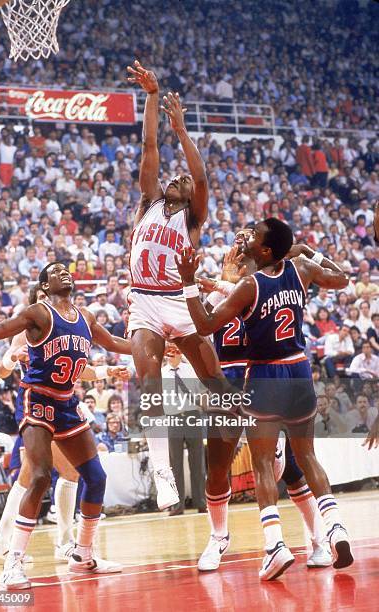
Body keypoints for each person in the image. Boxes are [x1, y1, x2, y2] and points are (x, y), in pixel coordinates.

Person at [176, 218, 353, 580]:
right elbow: (339, 279)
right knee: (221, 467)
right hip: (244, 380)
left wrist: (196, 284)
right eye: (239, 237)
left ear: (263, 250)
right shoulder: (280, 272)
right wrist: (210, 283)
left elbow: (206, 321)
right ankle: (222, 538)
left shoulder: (248, 285)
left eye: (250, 237)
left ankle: (305, 540)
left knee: (283, 467)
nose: (243, 241)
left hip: (262, 375)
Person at [0, 262, 132, 588]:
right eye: (55, 272)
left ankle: (83, 554)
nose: (64, 273)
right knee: (41, 475)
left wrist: (150, 346)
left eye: (65, 269)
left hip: (67, 402)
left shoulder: (85, 316)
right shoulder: (38, 313)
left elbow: (114, 342)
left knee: (96, 477)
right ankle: (13, 562)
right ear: (44, 286)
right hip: (37, 400)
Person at [126, 60, 227, 510]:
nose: (179, 178)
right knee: (148, 382)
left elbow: (201, 177)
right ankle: (164, 472)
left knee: (215, 381)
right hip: (145, 303)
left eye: (183, 180)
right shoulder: (148, 201)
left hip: (180, 301)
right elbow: (149, 145)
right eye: (176, 175)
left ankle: (270, 433)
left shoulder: (193, 217)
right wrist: (151, 96)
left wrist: (182, 131)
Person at [162, 343, 206, 516]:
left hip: (192, 415)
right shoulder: (161, 373)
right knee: (175, 464)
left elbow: (203, 393)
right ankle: (177, 505)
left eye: (173, 352)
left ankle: (201, 501)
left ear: (180, 354)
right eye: (168, 353)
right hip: (172, 419)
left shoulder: (191, 371)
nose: (170, 355)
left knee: (198, 461)